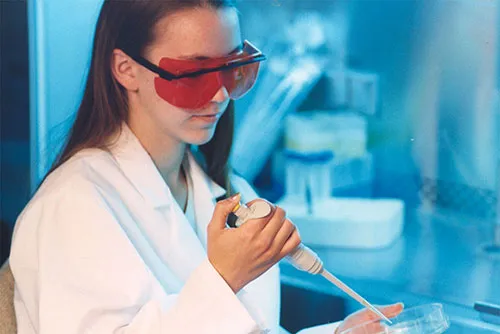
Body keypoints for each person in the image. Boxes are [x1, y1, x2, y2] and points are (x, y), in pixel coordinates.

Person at [9, 1, 403, 333]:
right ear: (125, 69)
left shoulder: (231, 192)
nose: (219, 95)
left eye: (232, 69)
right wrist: (223, 280)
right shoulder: (71, 209)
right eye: (194, 74)